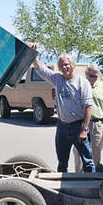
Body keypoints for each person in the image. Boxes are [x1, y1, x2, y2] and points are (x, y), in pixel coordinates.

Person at [27, 43, 95, 173]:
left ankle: (90, 189)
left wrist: (84, 130)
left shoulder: (82, 82)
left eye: (66, 64)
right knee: (62, 163)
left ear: (72, 65)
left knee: (87, 161)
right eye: (61, 65)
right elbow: (41, 69)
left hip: (78, 126)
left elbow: (88, 107)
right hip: (62, 127)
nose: (64, 67)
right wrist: (32, 53)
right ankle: (64, 188)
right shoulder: (57, 79)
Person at [73, 63, 103, 173]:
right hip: (81, 123)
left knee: (96, 151)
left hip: (97, 124)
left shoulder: (102, 87)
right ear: (86, 74)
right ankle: (78, 176)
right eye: (91, 76)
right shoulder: (79, 85)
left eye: (95, 76)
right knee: (79, 152)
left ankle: (94, 175)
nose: (93, 78)